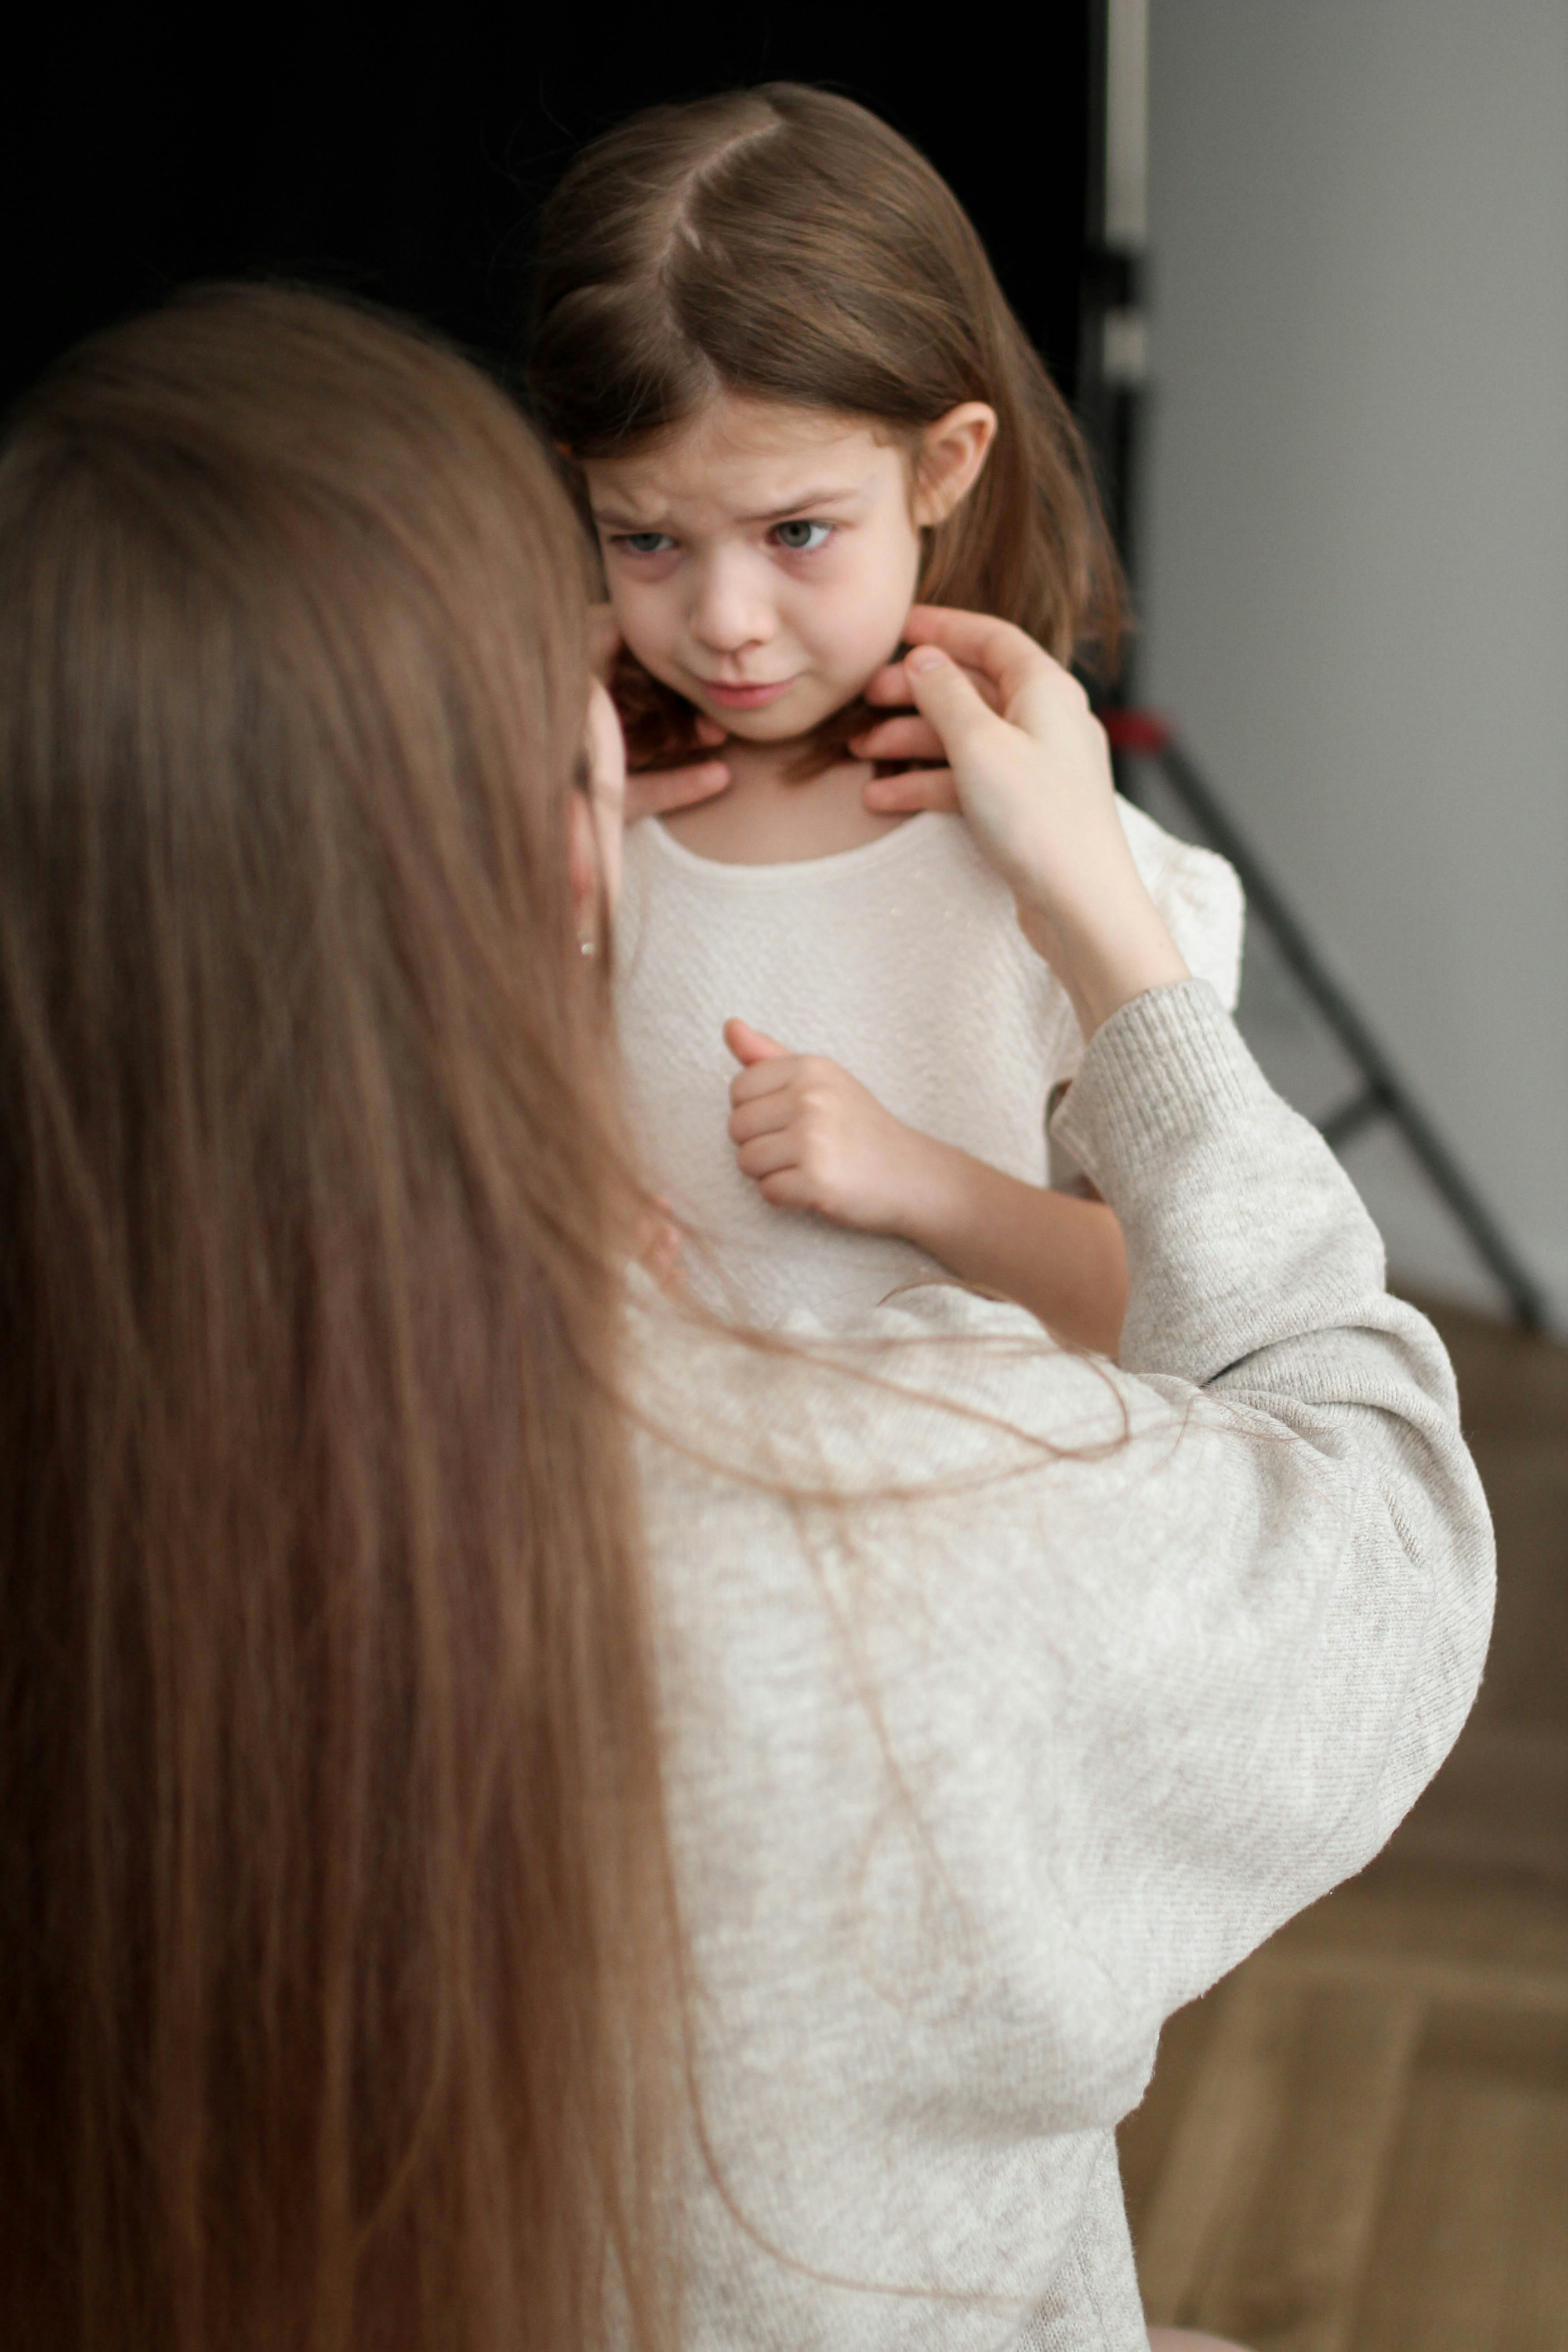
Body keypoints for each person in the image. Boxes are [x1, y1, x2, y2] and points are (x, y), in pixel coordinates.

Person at [0, 284, 1492, 2352]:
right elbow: (1380, 1510)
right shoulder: (909, 1538)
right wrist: (1128, 965)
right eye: (622, 583)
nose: (708, 645)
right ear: (557, 847)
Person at [526, 84, 1245, 1356]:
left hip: (963, 1530)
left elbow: (1196, 1301)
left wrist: (916, 1181)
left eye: (796, 531)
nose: (726, 618)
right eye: (646, 539)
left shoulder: (1072, 872)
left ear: (944, 465)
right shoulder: (564, 809)